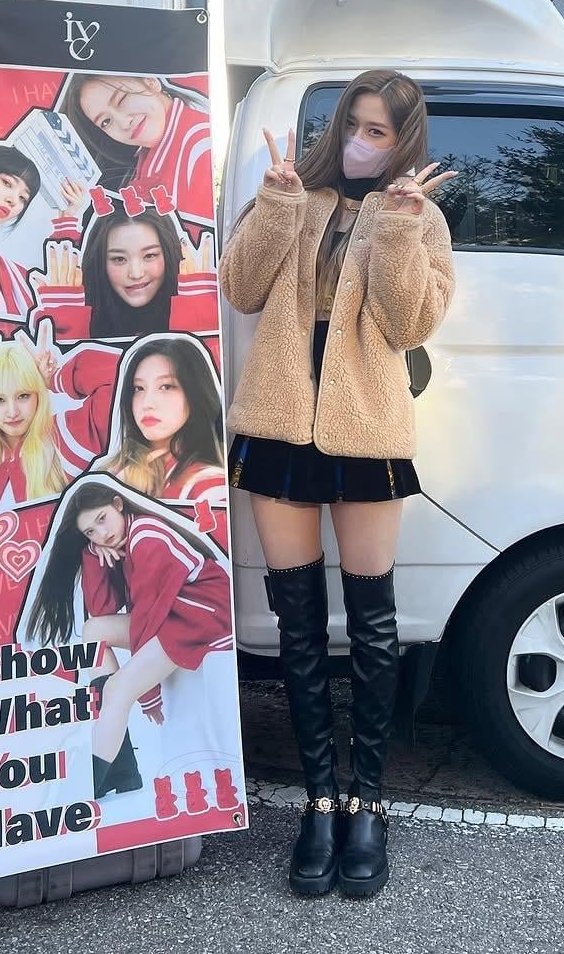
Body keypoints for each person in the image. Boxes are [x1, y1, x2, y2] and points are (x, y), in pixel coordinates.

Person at [218, 69, 456, 898]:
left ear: (403, 140)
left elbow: (408, 323)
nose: (359, 141)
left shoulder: (420, 218)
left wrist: (399, 228)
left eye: (377, 130)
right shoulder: (295, 196)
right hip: (279, 426)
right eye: (353, 124)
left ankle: (370, 802)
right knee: (299, 628)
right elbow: (241, 288)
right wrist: (276, 204)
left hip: (366, 433)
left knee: (374, 627)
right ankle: (319, 802)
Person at [22, 479, 232, 800]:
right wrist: (94, 555)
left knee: (119, 689)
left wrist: (147, 693)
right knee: (94, 631)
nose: (102, 533)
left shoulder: (146, 537)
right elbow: (101, 609)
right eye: (90, 532)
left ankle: (90, 784)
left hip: (203, 615)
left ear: (118, 504)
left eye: (102, 519)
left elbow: (147, 616)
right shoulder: (122, 541)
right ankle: (121, 769)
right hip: (175, 614)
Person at [0, 324, 113, 517]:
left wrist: (56, 377)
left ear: (38, 394)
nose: (12, 412)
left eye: (23, 396)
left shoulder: (70, 440)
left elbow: (124, 379)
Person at [30, 203, 218, 344]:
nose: (135, 273)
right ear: (100, 263)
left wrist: (197, 313)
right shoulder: (87, 309)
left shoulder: (196, 303)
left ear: (170, 256)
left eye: (150, 256)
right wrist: (65, 320)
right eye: (119, 259)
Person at [59, 73, 215, 237]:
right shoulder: (144, 163)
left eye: (122, 99)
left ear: (151, 82)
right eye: (106, 121)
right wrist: (70, 217)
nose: (124, 122)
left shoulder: (200, 148)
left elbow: (193, 248)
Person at [0, 140, 84, 320]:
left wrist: (67, 218)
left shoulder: (4, 269)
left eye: (23, 198)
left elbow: (58, 287)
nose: (13, 201)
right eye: (7, 183)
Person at [102, 335, 226, 505]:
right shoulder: (115, 472)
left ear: (194, 394)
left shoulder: (207, 487)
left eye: (166, 386)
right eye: (139, 388)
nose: (147, 403)